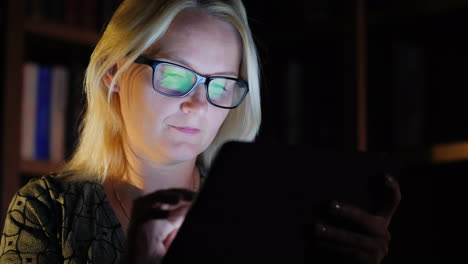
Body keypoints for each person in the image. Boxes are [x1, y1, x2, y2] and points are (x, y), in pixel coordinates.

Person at [0, 0, 401, 263]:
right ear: (113, 75)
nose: (199, 104)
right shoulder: (46, 211)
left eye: (221, 84)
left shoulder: (262, 212)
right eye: (175, 76)